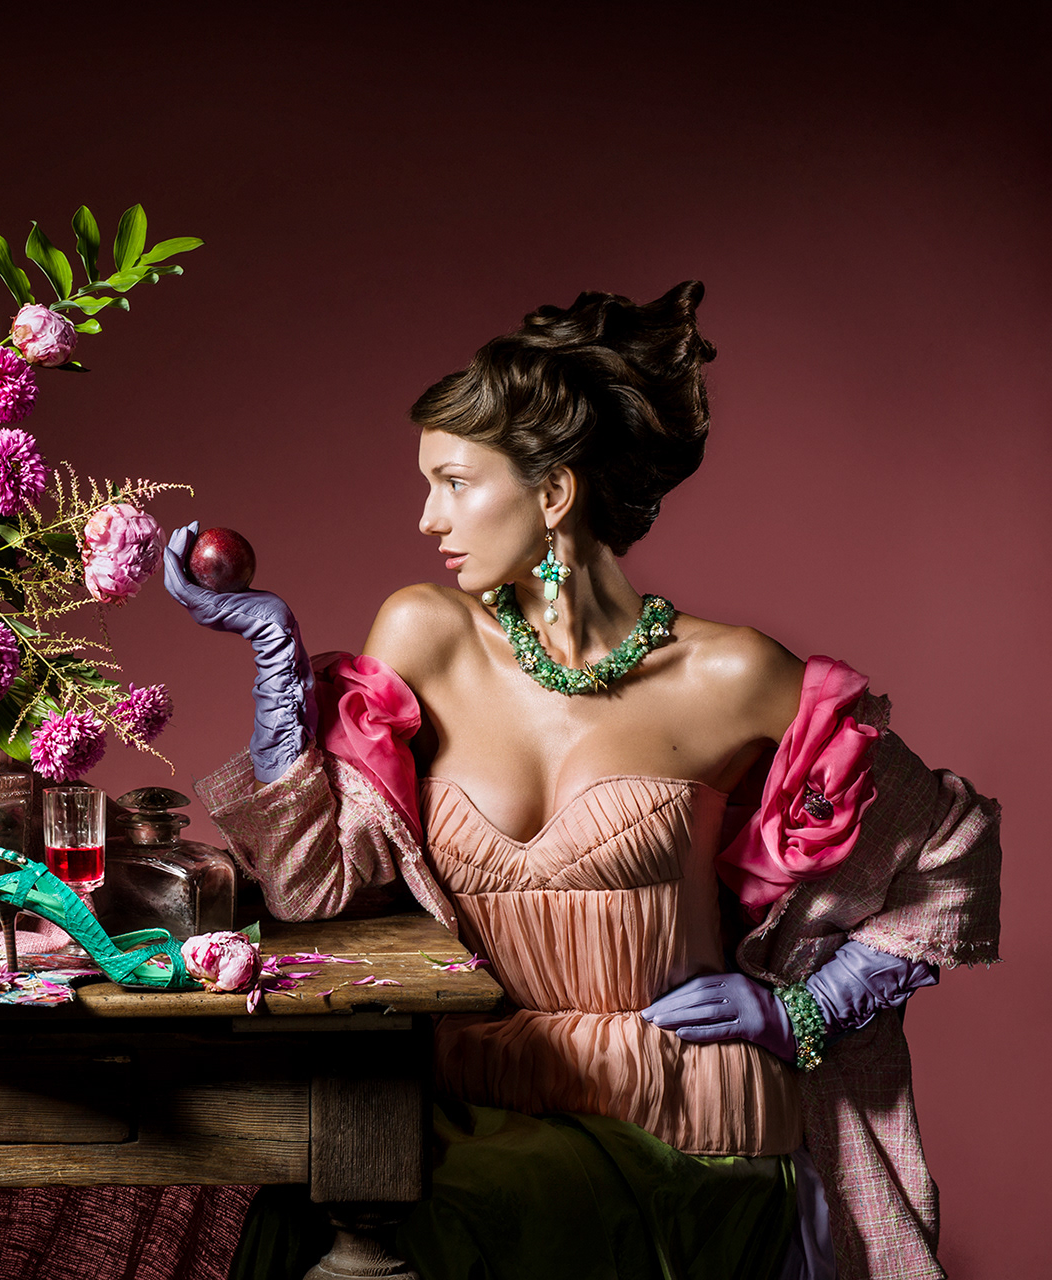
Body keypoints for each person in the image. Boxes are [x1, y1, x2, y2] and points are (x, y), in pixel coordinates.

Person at [165, 282, 1001, 1280]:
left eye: (454, 482)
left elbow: (948, 846)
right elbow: (313, 886)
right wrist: (272, 654)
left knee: (423, 1229)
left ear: (554, 494)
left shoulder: (732, 673)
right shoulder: (425, 635)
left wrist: (800, 1012)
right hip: (468, 1098)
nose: (427, 517)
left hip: (684, 1121)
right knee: (295, 1206)